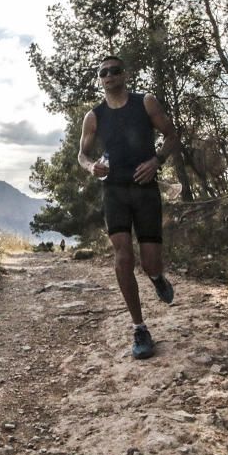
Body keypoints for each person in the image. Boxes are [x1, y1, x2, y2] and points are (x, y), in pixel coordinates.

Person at [77, 55, 179, 360]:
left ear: (125, 73)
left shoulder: (145, 102)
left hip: (145, 191)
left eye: (115, 70)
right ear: (100, 79)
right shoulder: (93, 117)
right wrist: (91, 166)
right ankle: (139, 328)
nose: (109, 76)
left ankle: (158, 278)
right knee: (123, 258)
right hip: (115, 192)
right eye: (103, 73)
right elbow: (81, 155)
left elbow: (173, 136)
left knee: (150, 263)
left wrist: (157, 161)